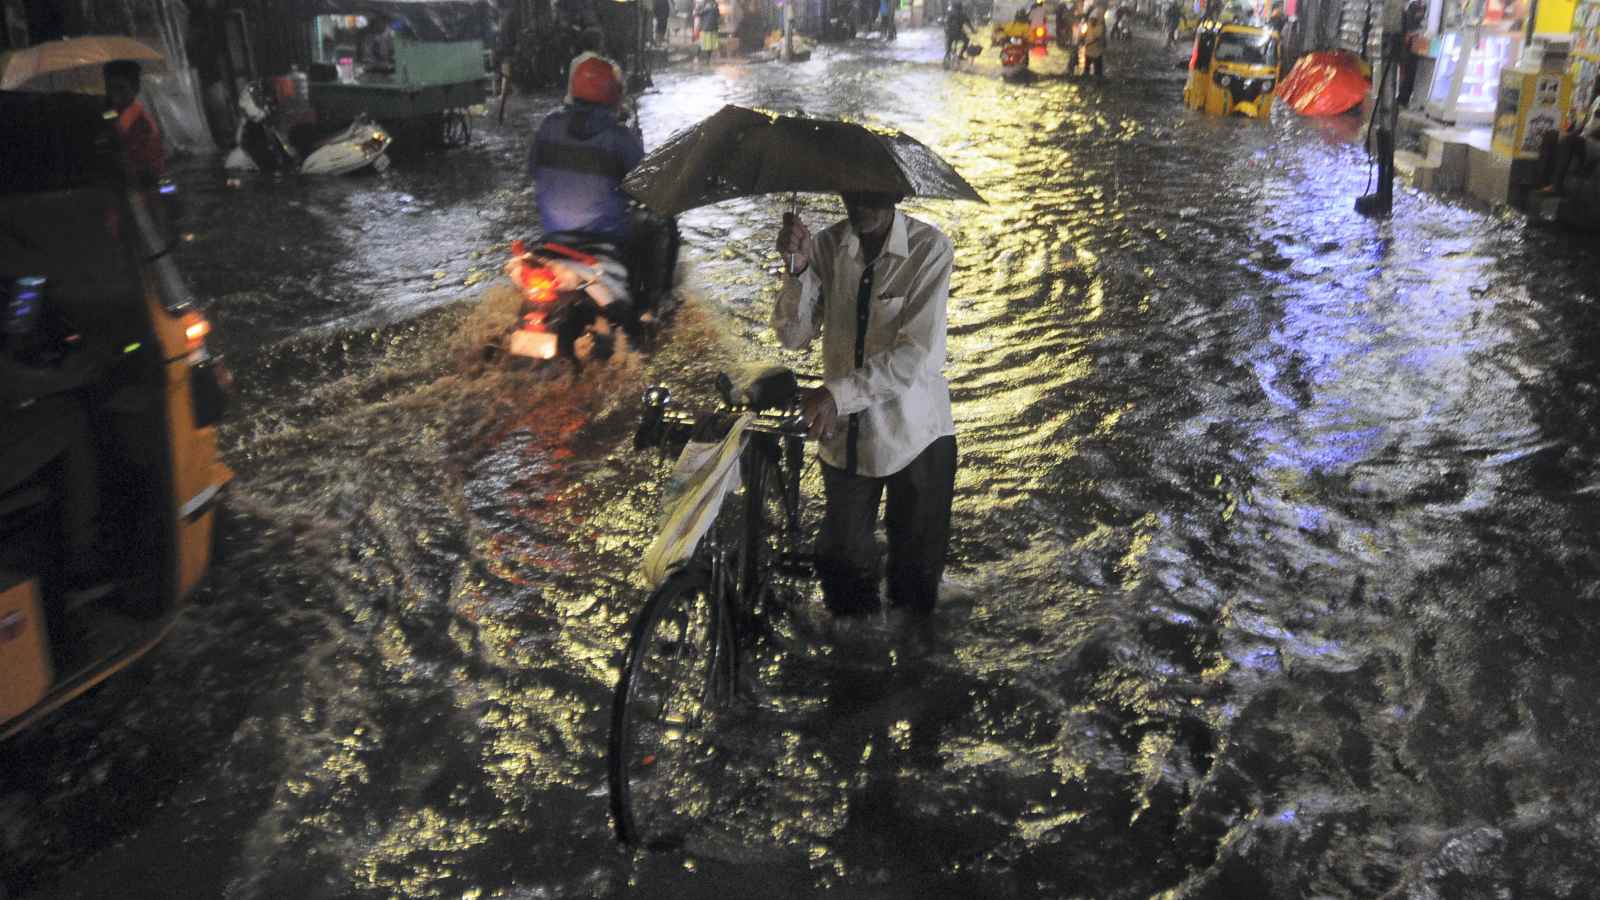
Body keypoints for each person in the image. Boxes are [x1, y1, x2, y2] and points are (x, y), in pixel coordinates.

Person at [771, 193, 958, 622]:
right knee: (841, 572)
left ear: (896, 192)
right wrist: (796, 269)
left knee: (914, 586)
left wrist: (837, 394)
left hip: (918, 436)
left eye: (874, 192)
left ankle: (912, 664)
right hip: (847, 439)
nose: (861, 204)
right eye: (852, 192)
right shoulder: (826, 246)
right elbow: (793, 336)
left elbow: (917, 356)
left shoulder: (929, 249)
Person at [529, 55, 642, 244]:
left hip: (554, 235)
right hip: (606, 237)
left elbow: (534, 170)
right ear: (615, 94)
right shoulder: (620, 136)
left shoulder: (549, 125)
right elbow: (645, 185)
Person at [102, 60, 164, 189]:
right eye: (109, 88)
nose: (114, 96)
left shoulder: (140, 121)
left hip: (147, 182)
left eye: (120, 88)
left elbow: (116, 139)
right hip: (131, 178)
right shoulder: (115, 110)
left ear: (136, 88)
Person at [1540, 81, 1600, 195]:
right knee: (1551, 135)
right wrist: (1572, 132)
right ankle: (1543, 182)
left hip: (1595, 142)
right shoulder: (1597, 100)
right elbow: (1585, 124)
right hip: (1584, 138)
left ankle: (1556, 186)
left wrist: (1583, 136)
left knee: (1569, 140)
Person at [1396, 0, 1425, 107]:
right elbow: (1409, 30)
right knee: (1409, 72)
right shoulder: (1414, 7)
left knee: (1408, 72)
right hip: (1411, 45)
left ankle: (1403, 98)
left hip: (1410, 44)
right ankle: (1403, 98)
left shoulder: (1413, 7)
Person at [1081, 6, 1106, 77]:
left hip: (1093, 45)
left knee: (1091, 64)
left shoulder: (1096, 18)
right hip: (1092, 45)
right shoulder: (1098, 13)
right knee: (1094, 64)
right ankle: (1094, 76)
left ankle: (1090, 75)